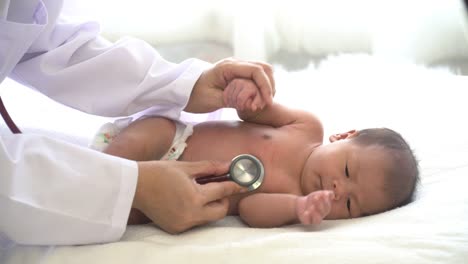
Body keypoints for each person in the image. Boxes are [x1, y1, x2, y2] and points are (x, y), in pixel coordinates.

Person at [0, 1, 275, 245]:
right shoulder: (308, 126)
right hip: (164, 143)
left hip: (164, 163)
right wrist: (133, 186)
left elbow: (43, 37)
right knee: (150, 140)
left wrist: (187, 84)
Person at [96, 79, 420, 229]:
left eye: (350, 204)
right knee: (153, 130)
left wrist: (297, 207)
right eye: (347, 171)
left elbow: (249, 209)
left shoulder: (292, 195)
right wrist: (247, 97)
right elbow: (256, 113)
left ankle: (103, 194)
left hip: (179, 194)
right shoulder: (306, 126)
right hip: (173, 143)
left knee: (131, 214)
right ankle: (98, 171)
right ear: (344, 136)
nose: (337, 190)